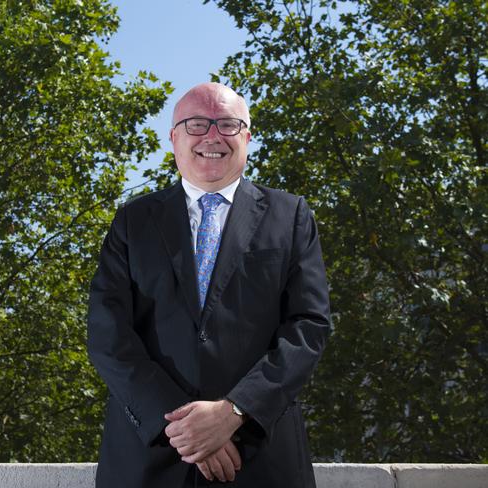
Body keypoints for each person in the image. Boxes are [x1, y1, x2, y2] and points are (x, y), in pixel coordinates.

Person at [87, 82, 331, 487]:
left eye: (228, 125)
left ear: (248, 137)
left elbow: (308, 327)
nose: (212, 137)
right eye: (197, 124)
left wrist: (234, 411)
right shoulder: (132, 221)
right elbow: (107, 333)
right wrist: (186, 427)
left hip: (259, 456)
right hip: (149, 457)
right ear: (174, 138)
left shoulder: (291, 216)